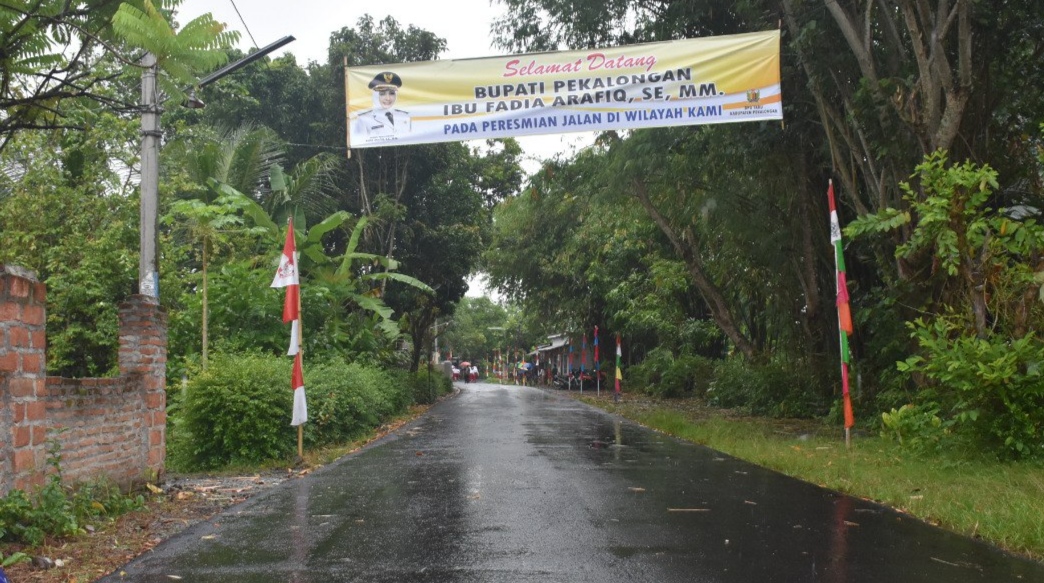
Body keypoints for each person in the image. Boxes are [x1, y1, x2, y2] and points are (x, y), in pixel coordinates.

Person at [354, 71, 411, 139]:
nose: (388, 98)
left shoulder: (405, 116)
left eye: (392, 93)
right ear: (375, 95)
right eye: (382, 94)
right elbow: (359, 142)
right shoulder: (363, 119)